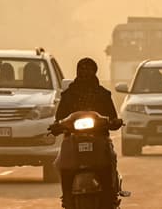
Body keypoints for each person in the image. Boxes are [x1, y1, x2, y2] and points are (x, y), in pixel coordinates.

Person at [54, 57, 122, 209]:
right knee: (62, 164)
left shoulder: (103, 94)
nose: (85, 72)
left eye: (89, 69)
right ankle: (66, 197)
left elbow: (113, 117)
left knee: (108, 161)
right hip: (72, 140)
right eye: (82, 69)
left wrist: (114, 122)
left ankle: (110, 195)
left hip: (99, 139)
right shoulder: (68, 95)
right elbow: (59, 118)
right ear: (77, 71)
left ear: (95, 71)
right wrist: (57, 126)